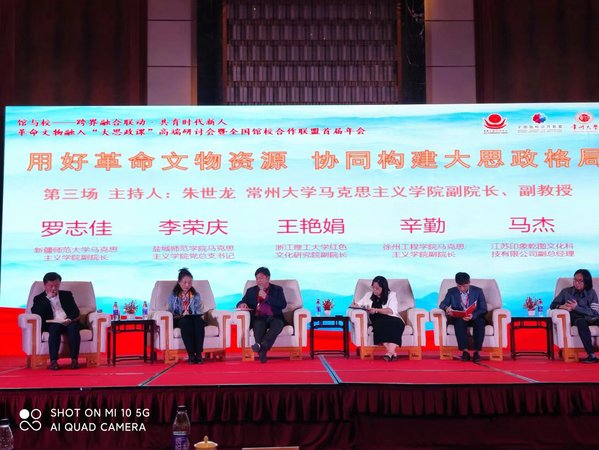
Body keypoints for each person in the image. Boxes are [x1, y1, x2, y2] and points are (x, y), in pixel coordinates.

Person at [31, 272, 81, 370]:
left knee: (73, 328)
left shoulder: (67, 294)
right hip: (52, 323)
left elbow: (75, 310)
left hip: (67, 321)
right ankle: (53, 361)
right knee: (54, 329)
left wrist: (69, 319)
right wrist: (48, 298)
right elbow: (36, 312)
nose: (54, 288)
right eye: (51, 286)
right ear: (45, 285)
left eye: (56, 285)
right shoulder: (39, 298)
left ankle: (74, 360)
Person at [236, 267, 287, 363]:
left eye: (261, 278)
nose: (258, 280)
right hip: (259, 317)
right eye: (257, 278)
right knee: (258, 325)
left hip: (274, 317)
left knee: (278, 324)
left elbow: (283, 304)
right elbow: (242, 301)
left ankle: (261, 347)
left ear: (268, 278)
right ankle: (262, 350)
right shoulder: (251, 291)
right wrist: (241, 304)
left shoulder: (277, 289)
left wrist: (266, 297)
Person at [350, 276, 406, 361]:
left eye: (377, 288)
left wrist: (376, 310)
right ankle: (392, 352)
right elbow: (357, 304)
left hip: (391, 317)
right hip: (377, 318)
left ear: (384, 288)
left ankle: (390, 353)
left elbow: (391, 310)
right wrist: (355, 305)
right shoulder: (368, 295)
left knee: (398, 323)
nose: (374, 290)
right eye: (373, 287)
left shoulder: (391, 295)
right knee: (380, 325)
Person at [550, 269, 599, 363]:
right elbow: (552, 305)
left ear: (586, 282)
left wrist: (576, 307)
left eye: (580, 281)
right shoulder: (566, 292)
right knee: (581, 323)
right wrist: (562, 306)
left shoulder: (591, 293)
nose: (577, 283)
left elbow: (595, 312)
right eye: (575, 280)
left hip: (592, 317)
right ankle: (591, 355)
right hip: (577, 318)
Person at [439, 272, 488, 363]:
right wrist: (446, 308)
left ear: (469, 283)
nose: (462, 289)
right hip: (460, 317)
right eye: (459, 286)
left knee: (480, 322)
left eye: (464, 286)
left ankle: (477, 352)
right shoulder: (451, 291)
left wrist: (472, 316)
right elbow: (442, 304)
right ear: (456, 284)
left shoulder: (478, 291)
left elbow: (483, 309)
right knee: (459, 322)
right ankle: (465, 351)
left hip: (474, 316)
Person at [168, 268, 206, 364]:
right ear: (179, 282)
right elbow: (172, 310)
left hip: (193, 317)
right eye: (184, 282)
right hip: (180, 318)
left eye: (189, 283)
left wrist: (193, 312)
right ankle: (191, 354)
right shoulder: (174, 295)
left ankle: (199, 354)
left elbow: (199, 309)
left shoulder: (195, 295)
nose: (187, 285)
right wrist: (182, 313)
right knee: (185, 323)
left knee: (199, 322)